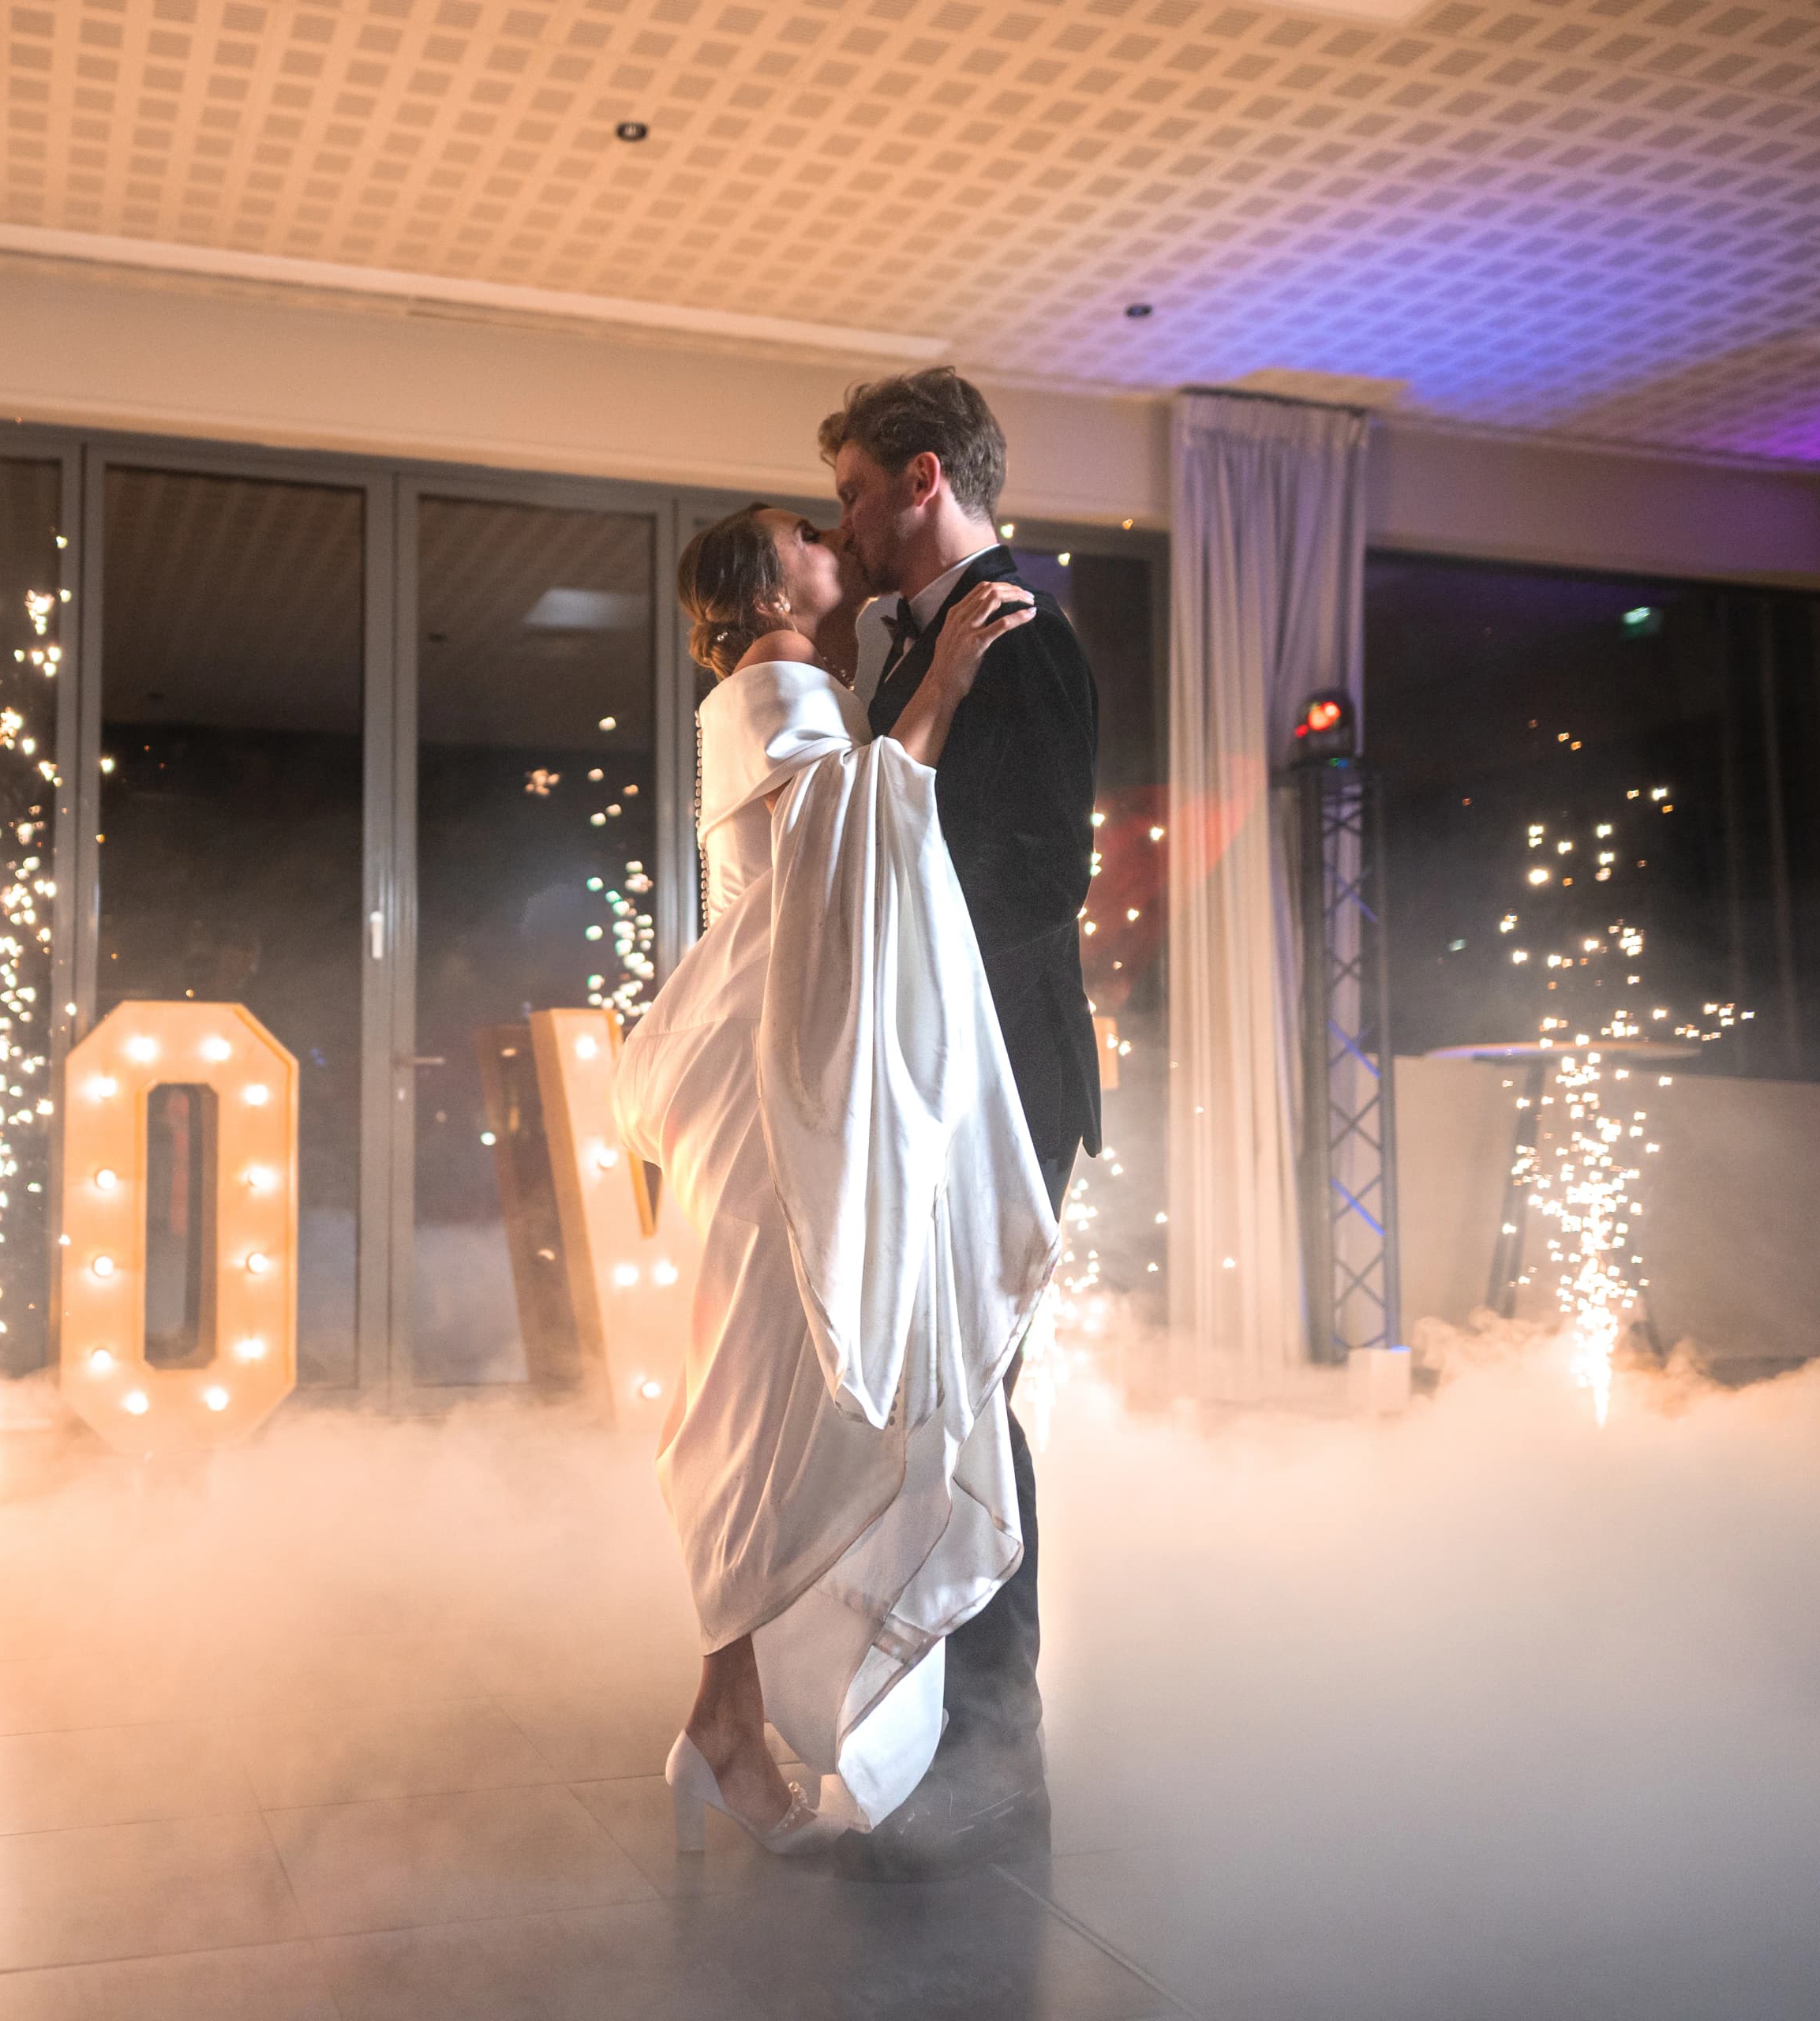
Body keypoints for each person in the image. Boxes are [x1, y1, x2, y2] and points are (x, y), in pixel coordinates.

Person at [613, 499, 1061, 1858]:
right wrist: (940, 686)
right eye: (808, 531)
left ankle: (724, 1713)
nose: (833, 542)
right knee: (763, 1396)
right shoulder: (772, 681)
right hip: (775, 1101)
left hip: (770, 1081)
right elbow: (842, 843)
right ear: (766, 585)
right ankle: (728, 1713)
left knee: (765, 1390)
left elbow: (829, 841)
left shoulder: (774, 687)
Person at [822, 366, 1103, 1880]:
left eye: (860, 492)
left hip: (995, 1076)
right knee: (926, 1402)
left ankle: (998, 1740)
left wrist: (901, 995)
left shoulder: (1024, 634)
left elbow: (1036, 875)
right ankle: (924, 1714)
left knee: (975, 1394)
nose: (845, 521)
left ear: (922, 476)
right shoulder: (915, 646)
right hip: (930, 1071)